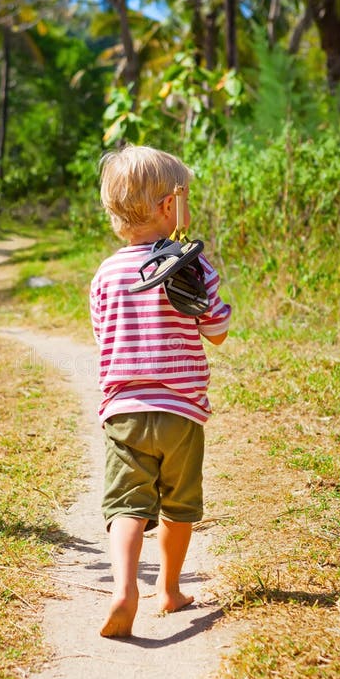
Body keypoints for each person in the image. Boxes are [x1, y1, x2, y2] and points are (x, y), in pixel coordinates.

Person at [90, 144, 232, 638]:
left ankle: (125, 587)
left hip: (124, 410)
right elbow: (216, 330)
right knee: (179, 506)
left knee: (126, 506)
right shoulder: (191, 264)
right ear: (171, 207)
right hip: (182, 411)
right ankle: (169, 589)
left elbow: (102, 336)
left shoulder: (106, 274)